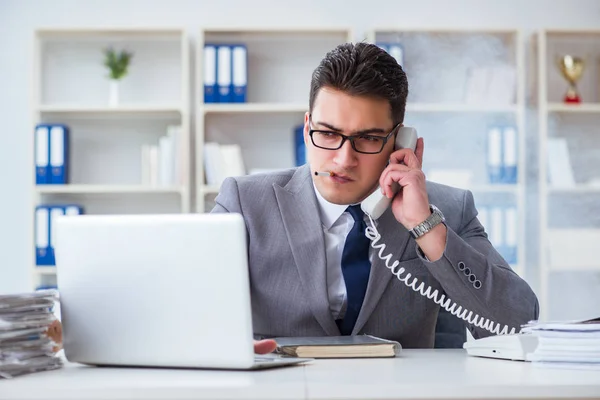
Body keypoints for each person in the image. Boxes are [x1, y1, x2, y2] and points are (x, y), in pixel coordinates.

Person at [211, 42, 539, 350]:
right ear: (307, 128)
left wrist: (425, 227)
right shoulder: (245, 204)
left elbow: (520, 327)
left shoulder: (447, 209)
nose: (343, 159)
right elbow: (184, 307)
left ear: (400, 141)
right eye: (327, 133)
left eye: (367, 138)